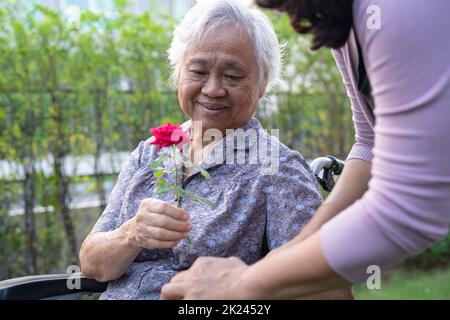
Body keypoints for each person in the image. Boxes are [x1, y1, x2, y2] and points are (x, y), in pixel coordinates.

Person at [161, 0, 450, 299]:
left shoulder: (397, 10)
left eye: (233, 76)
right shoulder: (345, 29)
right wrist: (297, 247)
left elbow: (409, 206)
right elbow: (370, 142)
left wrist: (246, 283)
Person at [79, 0, 352, 299]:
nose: (213, 89)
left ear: (262, 84)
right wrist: (131, 234)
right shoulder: (152, 152)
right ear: (178, 74)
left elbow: (330, 290)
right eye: (198, 71)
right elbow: (93, 265)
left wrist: (244, 288)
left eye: (233, 76)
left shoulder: (276, 167)